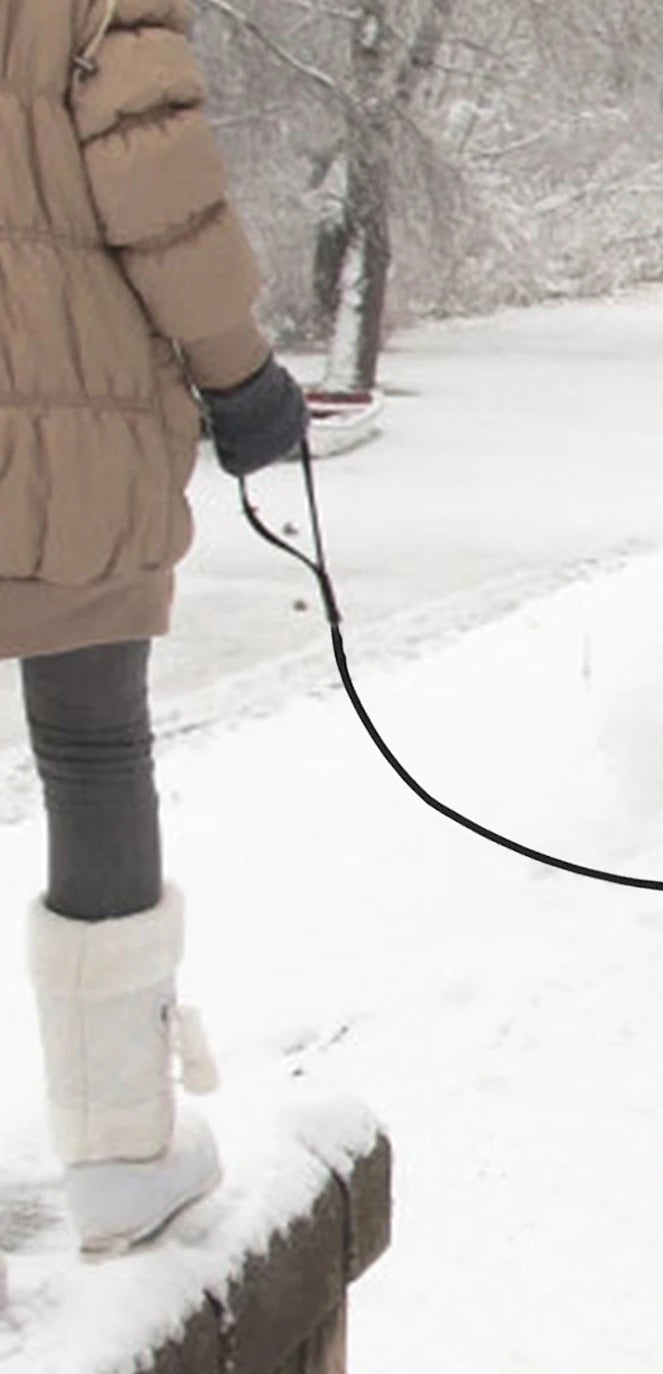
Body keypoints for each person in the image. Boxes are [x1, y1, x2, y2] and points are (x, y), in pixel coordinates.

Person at [0, 0, 308, 1298]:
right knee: (90, 750)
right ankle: (124, 1152)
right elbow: (157, 189)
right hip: (60, 438)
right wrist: (239, 376)